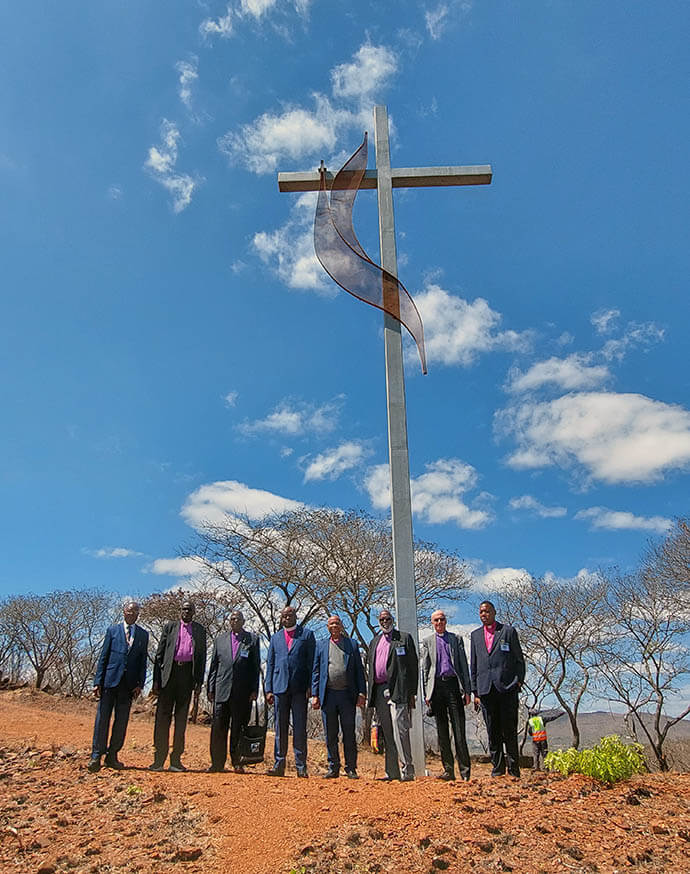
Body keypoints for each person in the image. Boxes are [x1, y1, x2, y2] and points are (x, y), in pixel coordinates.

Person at [88, 600, 149, 772]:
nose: (132, 614)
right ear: (124, 612)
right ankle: (96, 756)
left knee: (121, 722)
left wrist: (140, 684)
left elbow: (143, 661)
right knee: (102, 720)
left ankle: (112, 756)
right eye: (129, 611)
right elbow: (103, 657)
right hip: (110, 681)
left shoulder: (143, 635)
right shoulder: (112, 631)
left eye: (135, 612)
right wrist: (97, 681)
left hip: (128, 685)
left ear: (138, 614)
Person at [470, 600, 526, 778]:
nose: (483, 614)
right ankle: (498, 769)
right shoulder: (475, 635)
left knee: (509, 730)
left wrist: (517, 682)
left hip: (507, 689)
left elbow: (519, 661)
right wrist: (475, 692)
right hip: (486, 690)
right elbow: (474, 665)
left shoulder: (508, 632)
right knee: (492, 731)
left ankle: (514, 769)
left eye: (487, 611)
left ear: (494, 612)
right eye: (481, 612)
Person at [149, 600, 207, 772]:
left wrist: (198, 683)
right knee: (162, 718)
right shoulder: (170, 627)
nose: (186, 612)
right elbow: (159, 655)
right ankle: (158, 759)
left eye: (189, 610)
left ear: (194, 612)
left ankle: (176, 760)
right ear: (180, 611)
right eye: (184, 609)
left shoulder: (200, 630)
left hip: (187, 677)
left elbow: (202, 658)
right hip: (169, 675)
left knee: (181, 720)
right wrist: (156, 681)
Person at [366, 608, 418, 781]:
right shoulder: (374, 642)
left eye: (387, 619)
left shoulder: (404, 638)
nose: (384, 622)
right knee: (387, 732)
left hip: (399, 689)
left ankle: (407, 770)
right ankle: (391, 772)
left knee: (400, 729)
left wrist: (412, 693)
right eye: (381, 619)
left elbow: (413, 667)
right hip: (379, 691)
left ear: (392, 620)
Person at [312, 615, 366, 779]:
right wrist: (315, 694)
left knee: (349, 732)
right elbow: (316, 671)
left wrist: (362, 693)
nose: (334, 626)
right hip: (328, 695)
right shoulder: (321, 645)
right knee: (330, 733)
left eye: (337, 623)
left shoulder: (351, 644)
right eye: (331, 623)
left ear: (341, 626)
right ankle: (333, 767)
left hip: (347, 695)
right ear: (327, 627)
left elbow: (359, 671)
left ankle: (351, 768)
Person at [420, 610, 472, 781]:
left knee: (459, 730)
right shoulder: (427, 642)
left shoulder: (456, 639)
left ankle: (465, 771)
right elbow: (425, 669)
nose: (440, 622)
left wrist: (467, 690)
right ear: (432, 623)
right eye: (436, 620)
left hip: (453, 686)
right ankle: (448, 770)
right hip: (436, 688)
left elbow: (464, 665)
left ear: (446, 621)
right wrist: (426, 694)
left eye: (442, 619)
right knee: (442, 731)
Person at [265, 604, 315, 777]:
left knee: (300, 727)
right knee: (280, 727)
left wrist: (311, 686)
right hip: (279, 687)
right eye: (284, 616)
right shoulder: (275, 638)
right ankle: (279, 764)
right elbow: (270, 664)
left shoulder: (307, 635)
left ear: (295, 616)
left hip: (300, 688)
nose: (287, 618)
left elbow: (312, 663)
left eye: (290, 615)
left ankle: (301, 766)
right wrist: (268, 688)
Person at [207, 610, 260, 773]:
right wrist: (210, 688)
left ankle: (237, 762)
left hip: (242, 693)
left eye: (238, 618)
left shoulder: (252, 639)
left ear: (243, 621)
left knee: (239, 727)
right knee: (218, 728)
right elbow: (214, 665)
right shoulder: (220, 640)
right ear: (229, 621)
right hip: (221, 690)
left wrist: (254, 689)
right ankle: (217, 763)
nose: (234, 621)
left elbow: (255, 667)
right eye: (232, 618)